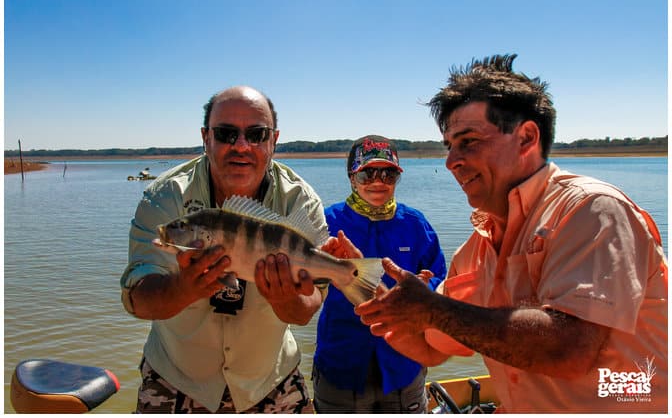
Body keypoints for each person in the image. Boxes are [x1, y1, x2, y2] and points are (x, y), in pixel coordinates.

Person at [355, 54, 668, 413]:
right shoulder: (478, 248)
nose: (451, 160)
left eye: (468, 141)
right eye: (449, 146)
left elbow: (569, 349)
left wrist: (433, 310)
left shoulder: (591, 210)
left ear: (526, 138)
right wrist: (353, 279)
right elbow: (430, 345)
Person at [120, 85, 328, 413]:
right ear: (206, 138)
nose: (241, 146)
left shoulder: (299, 202)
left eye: (257, 134)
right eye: (226, 133)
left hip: (269, 379)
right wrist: (182, 288)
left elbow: (304, 311)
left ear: (274, 140)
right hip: (176, 378)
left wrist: (286, 299)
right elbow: (135, 298)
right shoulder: (166, 198)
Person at [312, 135, 447, 413]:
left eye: (388, 174)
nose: (378, 181)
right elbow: (306, 285)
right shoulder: (326, 221)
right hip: (341, 363)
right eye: (368, 173)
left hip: (404, 365)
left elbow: (444, 283)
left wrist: (427, 289)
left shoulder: (416, 224)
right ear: (352, 177)